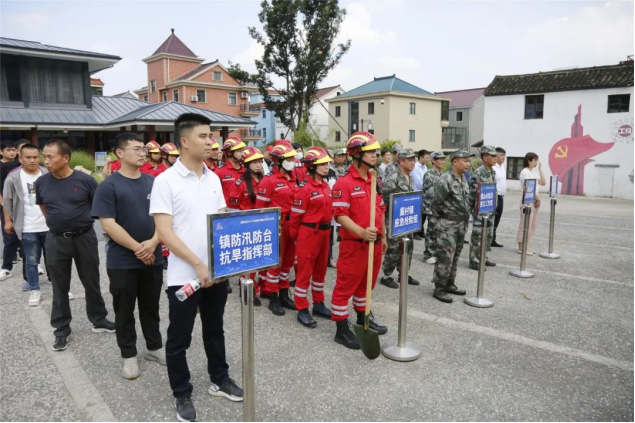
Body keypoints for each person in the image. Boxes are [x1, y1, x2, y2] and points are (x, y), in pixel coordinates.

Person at [151, 113, 243, 423]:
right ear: (184, 141)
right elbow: (164, 232)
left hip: (215, 273)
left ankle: (220, 378)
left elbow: (219, 218)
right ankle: (181, 393)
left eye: (211, 136)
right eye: (203, 136)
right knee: (179, 339)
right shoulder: (165, 181)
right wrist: (197, 264)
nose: (210, 141)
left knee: (215, 331)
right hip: (184, 276)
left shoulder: (214, 177)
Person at [91, 132, 165, 380]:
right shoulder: (108, 186)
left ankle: (154, 348)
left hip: (153, 256)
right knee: (124, 309)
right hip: (122, 261)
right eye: (136, 149)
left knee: (151, 306)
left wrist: (154, 242)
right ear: (120, 154)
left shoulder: (153, 182)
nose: (143, 152)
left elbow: (164, 218)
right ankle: (129, 355)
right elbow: (108, 225)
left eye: (143, 148)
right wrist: (138, 248)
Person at [36, 139, 115, 352]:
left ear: (66, 158)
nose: (46, 160)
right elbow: (45, 209)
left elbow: (97, 205)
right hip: (55, 240)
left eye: (50, 156)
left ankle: (99, 319)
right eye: (45, 156)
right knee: (59, 286)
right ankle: (61, 329)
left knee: (91, 281)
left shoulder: (86, 180)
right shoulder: (42, 182)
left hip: (84, 237)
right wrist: (60, 224)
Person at [331, 131, 388, 350]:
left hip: (375, 244)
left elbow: (380, 209)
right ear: (356, 154)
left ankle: (363, 317)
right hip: (354, 245)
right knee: (345, 286)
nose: (375, 155)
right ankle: (341, 329)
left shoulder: (374, 180)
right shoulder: (344, 183)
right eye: (370, 152)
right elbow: (340, 215)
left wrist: (383, 236)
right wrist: (362, 232)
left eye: (375, 151)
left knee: (366, 286)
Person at [290, 147, 334, 328]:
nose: (326, 166)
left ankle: (318, 303)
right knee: (304, 272)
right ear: (311, 166)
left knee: (320, 271)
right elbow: (295, 218)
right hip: (308, 233)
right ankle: (301, 308)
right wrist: (297, 239)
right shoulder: (305, 189)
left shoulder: (325, 186)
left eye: (327, 163)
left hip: (325, 233)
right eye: (322, 164)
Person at [255, 142, 298, 316]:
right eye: (288, 159)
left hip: (291, 225)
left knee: (288, 262)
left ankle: (283, 293)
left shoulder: (294, 179)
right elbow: (260, 208)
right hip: (276, 225)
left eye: (292, 158)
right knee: (275, 263)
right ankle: (273, 297)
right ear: (278, 161)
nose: (292, 161)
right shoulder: (269, 181)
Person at [3, 143, 49, 306]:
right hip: (27, 226)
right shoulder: (13, 177)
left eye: (35, 157)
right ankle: (35, 289)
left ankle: (60, 288)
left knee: (54, 260)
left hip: (49, 225)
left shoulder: (46, 173)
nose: (32, 160)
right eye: (28, 157)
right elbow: (7, 201)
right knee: (31, 260)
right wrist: (8, 221)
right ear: (20, 158)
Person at [430, 149, 474, 304]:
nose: (468, 164)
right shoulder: (445, 179)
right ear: (455, 161)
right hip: (447, 225)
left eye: (469, 161)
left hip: (461, 225)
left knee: (455, 256)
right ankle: (439, 288)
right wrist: (441, 223)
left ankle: (450, 284)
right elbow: (436, 204)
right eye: (465, 161)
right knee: (444, 257)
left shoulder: (463, 179)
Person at [379, 148, 420, 290]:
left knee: (408, 246)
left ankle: (403, 273)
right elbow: (383, 202)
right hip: (394, 220)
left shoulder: (411, 177)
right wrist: (384, 224)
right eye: (409, 160)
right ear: (401, 161)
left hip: (408, 219)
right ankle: (386, 275)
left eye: (413, 160)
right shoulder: (393, 177)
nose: (412, 163)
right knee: (394, 249)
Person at [468, 146, 499, 270]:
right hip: (480, 211)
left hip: (489, 210)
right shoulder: (479, 173)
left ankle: (483, 256)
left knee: (488, 235)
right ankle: (474, 260)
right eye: (493, 156)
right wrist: (473, 213)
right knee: (478, 235)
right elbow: (472, 194)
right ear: (485, 157)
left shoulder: (491, 171)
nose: (495, 158)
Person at [517, 152, 546, 255]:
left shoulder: (532, 172)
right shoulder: (525, 172)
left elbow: (543, 182)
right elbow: (529, 187)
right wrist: (537, 198)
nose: (536, 162)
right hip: (527, 200)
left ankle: (526, 245)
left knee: (533, 225)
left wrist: (540, 170)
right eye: (535, 160)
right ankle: (521, 247)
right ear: (529, 160)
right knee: (525, 224)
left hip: (534, 200)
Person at [0, 140, 22, 281]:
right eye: (8, 150)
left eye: (14, 150)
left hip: (22, 205)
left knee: (27, 236)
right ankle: (6, 268)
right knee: (9, 235)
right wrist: (4, 203)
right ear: (1, 151)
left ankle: (34, 264)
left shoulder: (21, 165)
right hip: (5, 205)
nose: (12, 152)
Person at [421, 152, 446, 264]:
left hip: (441, 208)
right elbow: (430, 193)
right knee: (431, 232)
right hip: (431, 207)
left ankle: (435, 253)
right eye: (439, 159)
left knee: (439, 232)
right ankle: (428, 254)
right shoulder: (429, 174)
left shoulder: (442, 174)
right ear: (433, 161)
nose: (442, 161)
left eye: (443, 159)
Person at [215, 137, 246, 205]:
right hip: (228, 210)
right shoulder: (219, 172)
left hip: (246, 210)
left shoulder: (246, 169)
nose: (243, 153)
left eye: (243, 150)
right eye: (239, 151)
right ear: (229, 153)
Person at [412, 149, 430, 240]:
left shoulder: (424, 166)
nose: (428, 160)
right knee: (418, 214)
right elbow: (418, 182)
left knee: (423, 214)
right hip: (417, 193)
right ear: (421, 157)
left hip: (424, 193)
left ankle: (421, 231)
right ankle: (415, 233)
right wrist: (427, 187)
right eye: (426, 158)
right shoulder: (415, 167)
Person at [492, 147, 507, 248]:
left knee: (497, 218)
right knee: (492, 218)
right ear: (495, 156)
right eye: (501, 155)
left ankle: (493, 239)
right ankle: (489, 239)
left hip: (501, 197)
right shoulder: (493, 168)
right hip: (494, 197)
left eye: (504, 156)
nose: (503, 157)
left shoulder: (502, 167)